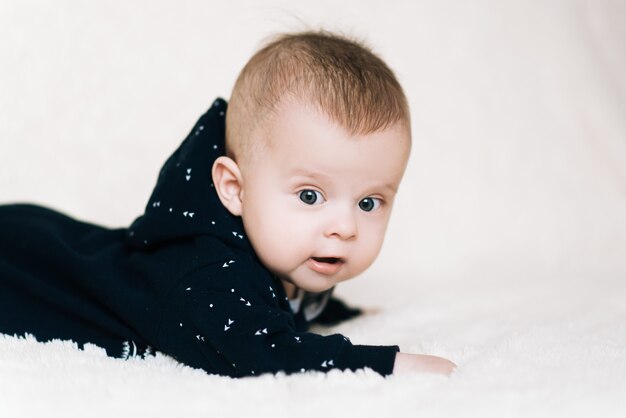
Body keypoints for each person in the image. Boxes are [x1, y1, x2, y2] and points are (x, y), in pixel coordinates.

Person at [0, 31, 456, 377]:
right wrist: (386, 365)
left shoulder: (294, 247)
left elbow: (283, 300)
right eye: (310, 196)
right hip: (19, 266)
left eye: (369, 202)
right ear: (234, 189)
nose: (344, 225)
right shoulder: (207, 279)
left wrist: (342, 312)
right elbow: (255, 349)